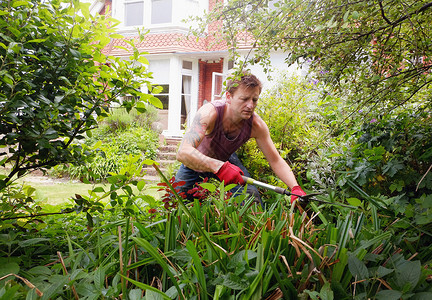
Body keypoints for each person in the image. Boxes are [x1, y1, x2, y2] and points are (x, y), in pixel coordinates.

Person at [175, 72, 306, 204]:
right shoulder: (209, 113)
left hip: (226, 160)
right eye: (244, 99)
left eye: (254, 100)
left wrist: (295, 187)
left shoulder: (256, 125)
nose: (250, 105)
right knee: (177, 203)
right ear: (228, 97)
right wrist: (219, 167)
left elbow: (275, 160)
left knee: (250, 200)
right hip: (197, 162)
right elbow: (183, 152)